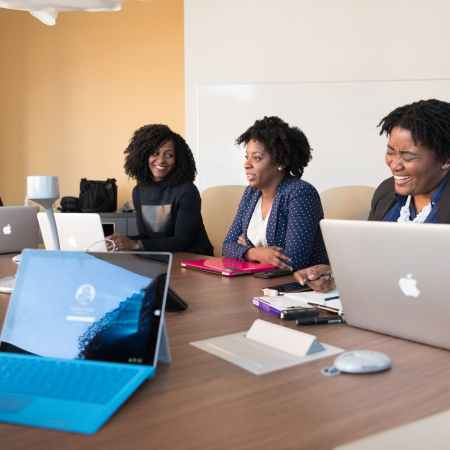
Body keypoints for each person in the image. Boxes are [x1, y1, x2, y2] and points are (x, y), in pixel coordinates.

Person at [295, 98, 450, 291]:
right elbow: (372, 262)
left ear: (445, 160)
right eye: (390, 152)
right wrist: (337, 275)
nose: (395, 165)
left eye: (408, 157)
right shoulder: (387, 193)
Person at [222, 116, 328, 271]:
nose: (247, 164)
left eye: (257, 158)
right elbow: (227, 246)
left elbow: (293, 260)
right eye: (247, 157)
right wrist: (256, 253)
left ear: (280, 162)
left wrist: (246, 248)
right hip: (257, 279)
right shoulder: (251, 193)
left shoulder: (300, 193)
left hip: (297, 282)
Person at [109, 124, 213, 255]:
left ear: (178, 159)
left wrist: (135, 244)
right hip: (161, 257)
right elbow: (147, 238)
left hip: (192, 258)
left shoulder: (187, 191)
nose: (161, 160)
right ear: (143, 156)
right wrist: (122, 241)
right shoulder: (139, 192)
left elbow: (182, 242)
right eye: (155, 153)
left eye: (169, 155)